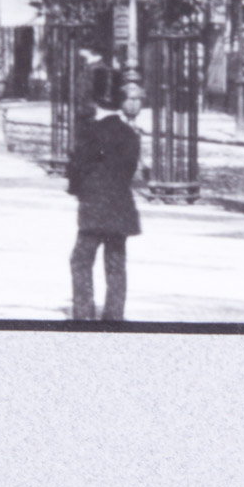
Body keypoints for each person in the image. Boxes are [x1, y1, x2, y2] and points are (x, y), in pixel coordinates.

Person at [65, 67, 140, 321]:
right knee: (116, 264)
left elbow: (77, 168)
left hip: (95, 208)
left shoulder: (90, 132)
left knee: (81, 260)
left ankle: (83, 312)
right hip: (121, 207)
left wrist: (77, 189)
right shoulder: (130, 135)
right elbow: (129, 171)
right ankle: (114, 316)